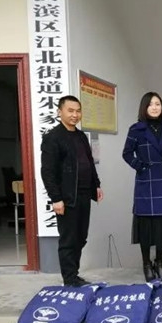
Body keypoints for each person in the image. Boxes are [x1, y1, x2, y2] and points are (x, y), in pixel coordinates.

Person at [41, 95, 103, 287]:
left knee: (81, 237)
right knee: (69, 239)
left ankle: (74, 274)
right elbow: (47, 172)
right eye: (70, 111)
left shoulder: (81, 136)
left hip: (84, 194)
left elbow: (89, 163)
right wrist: (56, 198)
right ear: (60, 112)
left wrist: (96, 185)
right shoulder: (53, 138)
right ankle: (69, 279)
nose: (75, 115)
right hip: (67, 197)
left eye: (78, 111)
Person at [122, 92, 162, 282]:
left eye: (158, 104)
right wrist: (141, 167)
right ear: (144, 107)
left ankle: (160, 264)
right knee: (146, 227)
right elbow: (127, 153)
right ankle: (146, 264)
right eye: (151, 104)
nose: (155, 107)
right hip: (146, 181)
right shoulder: (136, 129)